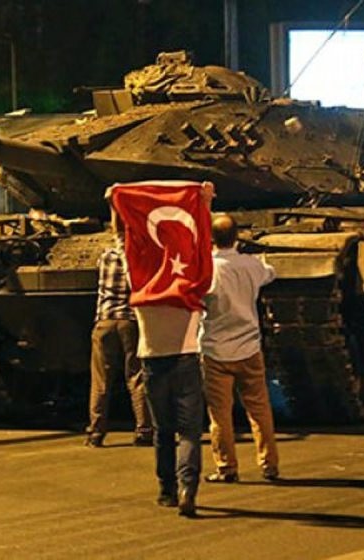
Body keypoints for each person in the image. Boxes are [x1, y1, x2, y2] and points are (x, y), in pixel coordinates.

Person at [110, 181, 215, 518]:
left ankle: (165, 490)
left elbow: (125, 243)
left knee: (162, 431)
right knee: (189, 432)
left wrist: (116, 204)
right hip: (185, 363)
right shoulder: (189, 286)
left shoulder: (141, 286)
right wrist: (205, 204)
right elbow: (202, 251)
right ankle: (188, 488)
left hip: (152, 364)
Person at [200, 214, 280, 483]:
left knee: (219, 414)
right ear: (236, 237)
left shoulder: (205, 268)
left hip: (214, 351)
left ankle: (226, 467)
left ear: (211, 238)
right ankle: (269, 464)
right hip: (249, 348)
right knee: (259, 409)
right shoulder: (251, 265)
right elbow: (270, 274)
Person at [84, 217, 153, 448]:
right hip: (130, 322)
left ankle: (95, 432)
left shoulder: (105, 257)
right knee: (135, 376)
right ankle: (144, 429)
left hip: (104, 321)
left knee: (101, 381)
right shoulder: (138, 258)